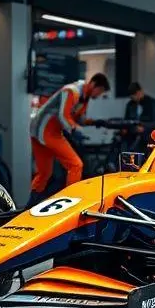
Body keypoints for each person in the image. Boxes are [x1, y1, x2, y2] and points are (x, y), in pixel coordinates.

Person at [28, 73, 110, 207]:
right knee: (76, 165)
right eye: (99, 91)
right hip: (46, 130)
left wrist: (96, 122)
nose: (98, 95)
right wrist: (74, 130)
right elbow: (63, 116)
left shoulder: (85, 97)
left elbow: (79, 118)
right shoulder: (72, 91)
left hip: (37, 131)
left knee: (44, 173)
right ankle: (69, 204)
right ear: (93, 84)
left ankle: (30, 205)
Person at [124, 82, 155, 153]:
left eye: (136, 95)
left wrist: (144, 128)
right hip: (133, 135)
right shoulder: (130, 104)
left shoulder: (152, 103)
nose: (135, 98)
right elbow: (127, 120)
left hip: (148, 134)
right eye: (133, 96)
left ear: (140, 92)